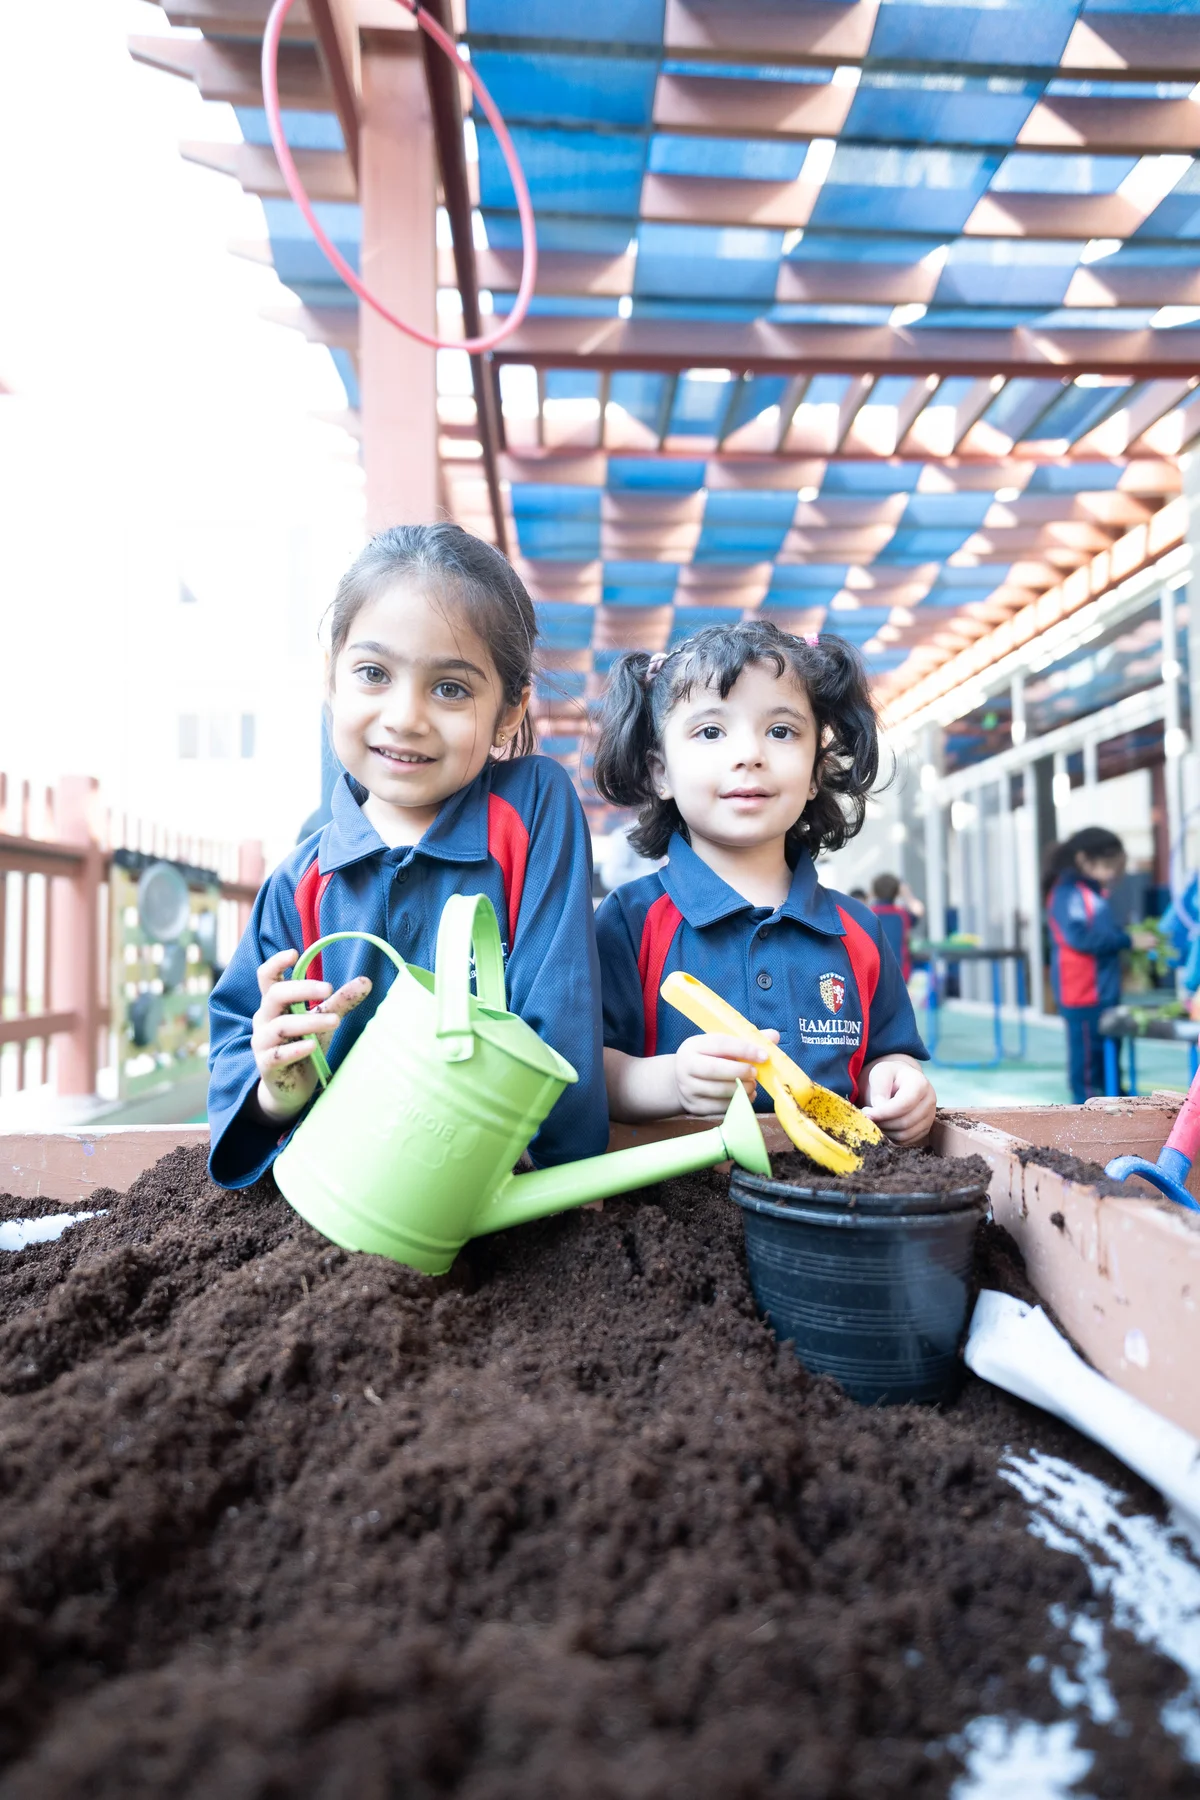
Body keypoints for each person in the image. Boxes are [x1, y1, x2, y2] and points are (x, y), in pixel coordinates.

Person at [207, 523, 608, 1187]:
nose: (405, 716)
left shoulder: (533, 809)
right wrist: (278, 1090)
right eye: (373, 673)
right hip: (343, 1193)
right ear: (331, 677)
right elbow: (235, 1044)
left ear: (510, 710)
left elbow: (559, 1006)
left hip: (504, 1183)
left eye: (450, 687)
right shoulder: (302, 878)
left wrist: (551, 1169)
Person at [590, 621, 936, 1145]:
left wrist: (899, 1081)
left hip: (834, 1198)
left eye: (781, 731)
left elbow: (888, 1052)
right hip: (681, 1204)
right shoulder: (628, 922)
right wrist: (670, 1081)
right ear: (660, 772)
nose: (749, 754)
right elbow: (592, 1068)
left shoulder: (857, 930)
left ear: (816, 771)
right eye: (711, 731)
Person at [1044, 827, 1157, 1104]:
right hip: (1083, 995)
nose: (1111, 875)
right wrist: (1127, 940)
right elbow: (1080, 937)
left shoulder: (1091, 893)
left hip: (1102, 992)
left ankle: (1116, 1109)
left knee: (1108, 1057)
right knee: (1087, 1069)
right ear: (1083, 860)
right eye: (1108, 866)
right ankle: (1089, 1117)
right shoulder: (1068, 893)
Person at [869, 872, 913, 980]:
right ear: (897, 892)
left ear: (874, 892)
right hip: (901, 971)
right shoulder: (903, 914)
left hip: (875, 973)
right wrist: (907, 894)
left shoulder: (868, 914)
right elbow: (919, 910)